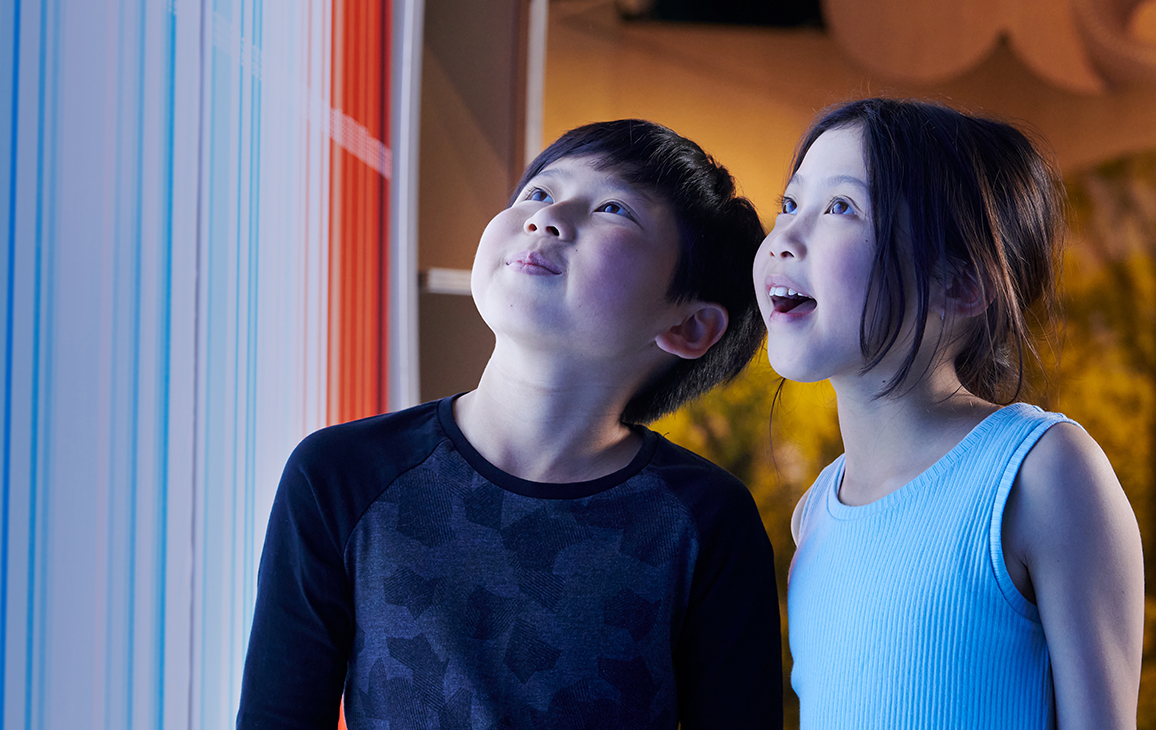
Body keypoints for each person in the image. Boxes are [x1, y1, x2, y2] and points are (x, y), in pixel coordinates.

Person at [237, 119, 784, 729]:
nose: (545, 218)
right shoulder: (340, 474)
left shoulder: (706, 522)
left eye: (613, 208)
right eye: (540, 192)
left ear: (688, 327)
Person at [755, 97, 1144, 729]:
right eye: (791, 204)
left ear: (960, 284)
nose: (783, 240)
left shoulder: (1041, 474)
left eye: (841, 208)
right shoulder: (814, 517)